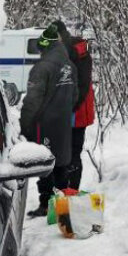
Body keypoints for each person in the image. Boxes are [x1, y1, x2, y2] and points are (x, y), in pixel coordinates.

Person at [19, 23, 77, 219]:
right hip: (64, 123)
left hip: (44, 124)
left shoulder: (42, 68)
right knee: (61, 162)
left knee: (45, 164)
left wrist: (25, 125)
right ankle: (60, 205)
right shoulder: (70, 66)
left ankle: (46, 204)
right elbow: (75, 96)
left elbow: (32, 101)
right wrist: (63, 111)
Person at [52, 20, 95, 190]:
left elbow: (82, 85)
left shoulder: (80, 53)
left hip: (77, 112)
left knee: (73, 153)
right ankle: (61, 190)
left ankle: (72, 191)